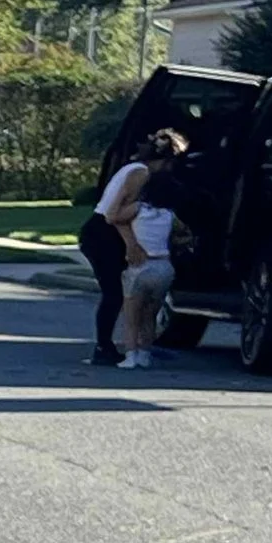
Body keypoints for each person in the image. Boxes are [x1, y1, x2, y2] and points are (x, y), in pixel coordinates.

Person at [81, 129, 185, 367]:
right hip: (102, 234)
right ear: (166, 160)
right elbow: (113, 215)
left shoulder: (136, 170)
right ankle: (104, 347)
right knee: (114, 293)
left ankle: (134, 347)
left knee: (125, 292)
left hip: (109, 232)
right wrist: (132, 245)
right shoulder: (140, 173)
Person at [118, 186, 181, 370]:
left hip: (140, 266)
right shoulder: (170, 215)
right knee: (150, 315)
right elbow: (183, 233)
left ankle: (130, 355)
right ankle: (145, 353)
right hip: (163, 265)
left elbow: (115, 216)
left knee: (132, 316)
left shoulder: (138, 209)